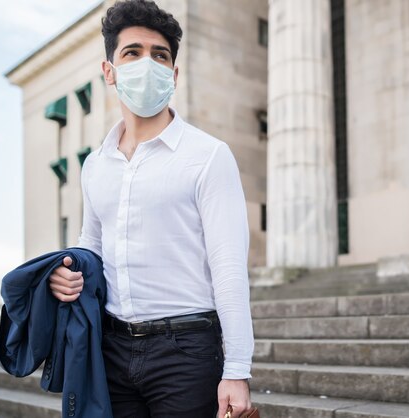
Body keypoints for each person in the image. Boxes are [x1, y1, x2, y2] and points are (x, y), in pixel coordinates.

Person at [48, 1, 254, 417]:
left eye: (160, 55)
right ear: (109, 71)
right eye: (132, 52)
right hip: (111, 349)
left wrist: (237, 369)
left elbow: (229, 265)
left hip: (186, 350)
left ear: (173, 75)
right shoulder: (95, 164)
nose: (148, 63)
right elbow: (92, 245)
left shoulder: (209, 156)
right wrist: (67, 274)